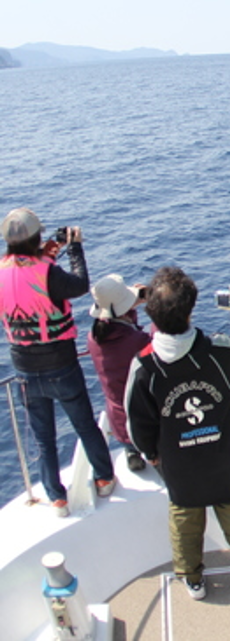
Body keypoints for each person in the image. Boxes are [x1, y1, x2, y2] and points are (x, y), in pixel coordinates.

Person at [125, 266, 230, 601]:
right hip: (225, 457)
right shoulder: (218, 352)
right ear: (190, 311)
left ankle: (192, 579)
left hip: (179, 464)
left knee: (184, 523)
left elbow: (138, 421)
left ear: (152, 316)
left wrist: (151, 453)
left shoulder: (145, 366)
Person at [0, 207, 114, 517]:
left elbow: (23, 275)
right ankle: (104, 478)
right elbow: (77, 284)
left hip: (24, 369)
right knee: (85, 425)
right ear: (37, 237)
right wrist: (74, 248)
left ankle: (56, 498)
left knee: (43, 439)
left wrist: (50, 250)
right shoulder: (47, 272)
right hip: (61, 366)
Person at [87, 274, 151, 472]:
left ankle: (131, 453)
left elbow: (122, 329)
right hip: (142, 418)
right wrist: (151, 305)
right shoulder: (137, 341)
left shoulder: (93, 338)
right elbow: (155, 342)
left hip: (119, 421)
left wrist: (129, 306)